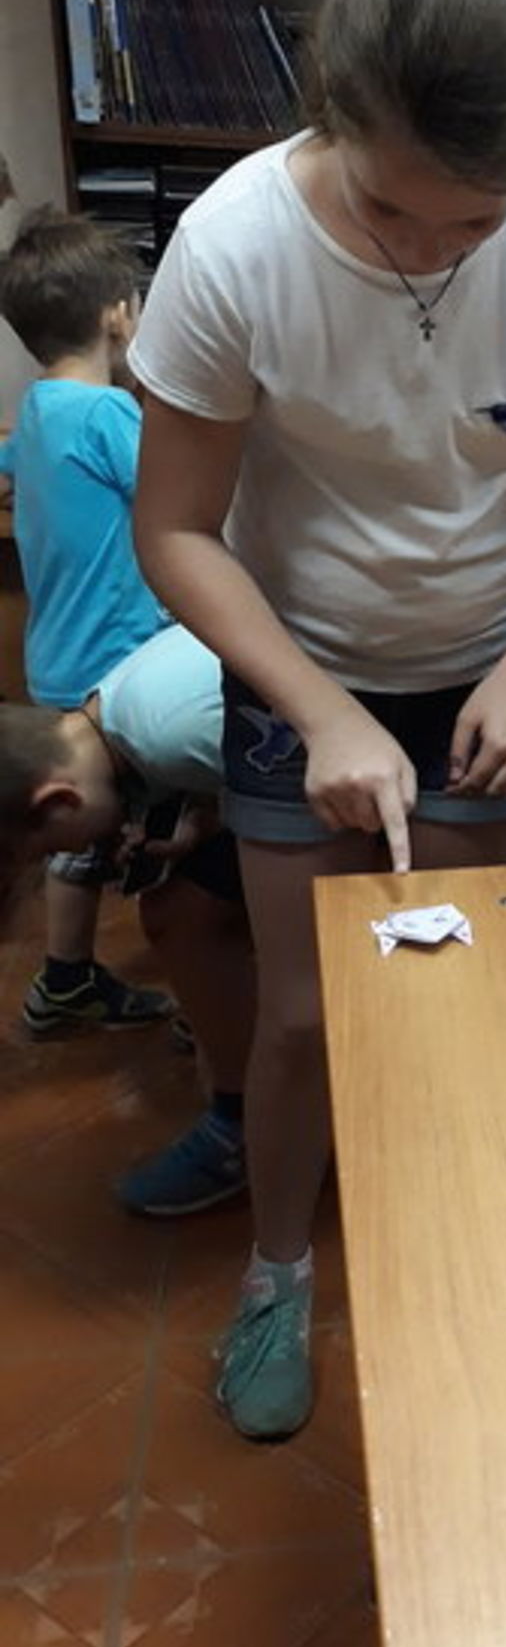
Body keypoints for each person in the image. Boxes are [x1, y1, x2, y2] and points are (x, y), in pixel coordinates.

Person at [127, 0, 506, 1440]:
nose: (429, 254)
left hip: (487, 662)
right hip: (297, 656)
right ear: (333, 117)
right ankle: (277, 1272)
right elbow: (175, 530)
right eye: (388, 212)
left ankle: (448, 1268)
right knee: (305, 1017)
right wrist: (318, 710)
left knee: (450, 1003)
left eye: (470, 223)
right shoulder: (235, 246)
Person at [0, 624, 252, 1216]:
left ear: (59, 801)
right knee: (177, 905)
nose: (70, 856)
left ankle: (246, 1122)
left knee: (183, 917)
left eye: (50, 849)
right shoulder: (112, 705)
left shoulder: (166, 740)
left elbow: (297, 782)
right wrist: (201, 824)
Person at [0, 209, 175, 1039]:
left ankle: (65, 976)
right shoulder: (110, 417)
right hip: (123, 661)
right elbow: (183, 504)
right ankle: (202, 987)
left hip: (56, 660)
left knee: (77, 838)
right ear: (118, 315)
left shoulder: (37, 410)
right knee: (166, 827)